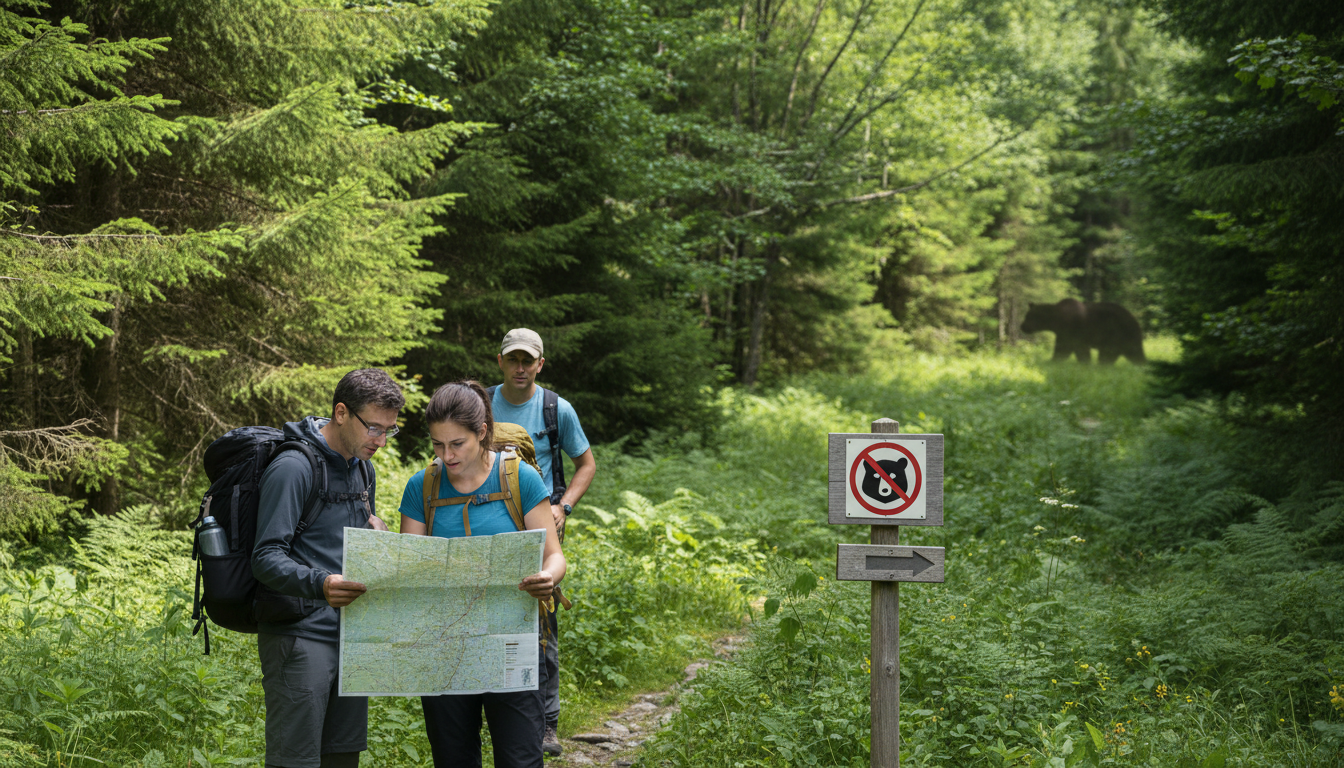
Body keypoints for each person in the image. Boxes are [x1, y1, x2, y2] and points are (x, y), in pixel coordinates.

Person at [399, 380, 567, 768]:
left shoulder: (519, 479)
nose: (446, 455)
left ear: (483, 433)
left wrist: (548, 577)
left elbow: (554, 557)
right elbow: (411, 569)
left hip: (512, 641)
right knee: (453, 759)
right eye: (437, 445)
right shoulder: (421, 487)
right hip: (446, 645)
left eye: (457, 444)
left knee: (520, 758)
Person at [251, 368, 403, 768]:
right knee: (295, 760)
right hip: (299, 638)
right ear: (340, 413)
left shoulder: (362, 468)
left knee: (342, 757)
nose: (381, 441)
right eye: (373, 427)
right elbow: (265, 557)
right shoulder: (294, 467)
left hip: (351, 637)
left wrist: (378, 535)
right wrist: (321, 584)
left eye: (390, 430)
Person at [490, 328, 595, 755]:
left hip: (538, 527)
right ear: (500, 361)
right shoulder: (480, 403)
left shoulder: (556, 409)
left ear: (540, 364)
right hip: (491, 526)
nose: (520, 367)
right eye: (512, 359)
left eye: (527, 360)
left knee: (540, 625)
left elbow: (585, 464)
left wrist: (562, 507)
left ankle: (546, 723)